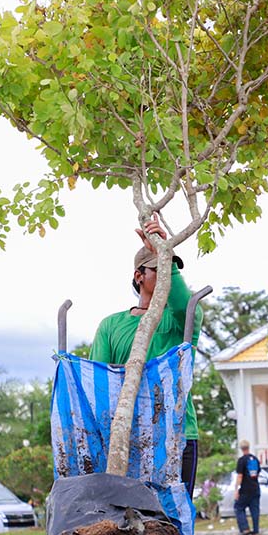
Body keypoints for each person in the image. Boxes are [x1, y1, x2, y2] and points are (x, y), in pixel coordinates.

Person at [91, 214, 204, 500]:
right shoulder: (111, 326)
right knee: (129, 516)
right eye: (157, 268)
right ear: (138, 276)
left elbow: (186, 306)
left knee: (173, 518)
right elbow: (99, 382)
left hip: (177, 435)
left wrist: (165, 255)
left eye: (169, 268)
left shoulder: (178, 322)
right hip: (129, 438)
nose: (165, 273)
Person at [234, 440, 261, 535]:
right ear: (248, 447)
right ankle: (256, 532)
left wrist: (237, 489)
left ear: (241, 448)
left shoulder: (242, 460)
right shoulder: (255, 459)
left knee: (238, 507)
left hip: (245, 489)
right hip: (255, 488)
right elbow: (257, 473)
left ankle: (245, 528)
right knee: (255, 510)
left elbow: (240, 476)